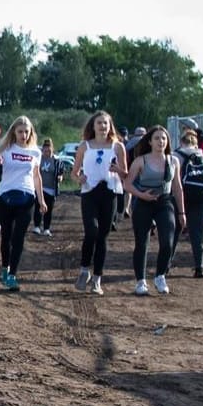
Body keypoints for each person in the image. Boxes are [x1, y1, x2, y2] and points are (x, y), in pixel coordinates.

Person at [125, 125, 187, 296]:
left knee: (167, 242)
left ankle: (160, 276)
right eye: (157, 138)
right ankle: (140, 281)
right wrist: (141, 195)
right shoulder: (140, 161)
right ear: (150, 142)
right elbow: (127, 184)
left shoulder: (173, 161)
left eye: (164, 138)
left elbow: (178, 187)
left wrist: (182, 212)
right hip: (144, 202)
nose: (161, 141)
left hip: (164, 202)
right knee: (142, 243)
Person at [72, 110, 128, 296]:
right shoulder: (84, 146)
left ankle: (97, 279)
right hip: (89, 192)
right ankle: (84, 270)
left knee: (102, 236)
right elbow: (74, 173)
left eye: (105, 123)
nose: (103, 126)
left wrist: (117, 169)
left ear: (110, 125)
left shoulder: (117, 147)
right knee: (91, 231)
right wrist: (78, 179)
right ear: (93, 126)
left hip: (109, 192)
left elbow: (125, 175)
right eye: (99, 123)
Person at [0, 116, 46, 291]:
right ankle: (5, 267)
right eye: (20, 131)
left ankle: (13, 275)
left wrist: (41, 199)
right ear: (14, 132)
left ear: (30, 133)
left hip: (27, 197)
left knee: (18, 237)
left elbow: (36, 176)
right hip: (5, 196)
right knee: (6, 236)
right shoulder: (6, 148)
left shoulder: (36, 152)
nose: (23, 135)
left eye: (26, 132)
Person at [173, 128, 203, 277]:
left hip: (181, 196)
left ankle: (167, 262)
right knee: (197, 233)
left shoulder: (176, 156)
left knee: (175, 231)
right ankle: (199, 266)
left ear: (182, 141)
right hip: (200, 197)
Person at [33, 138, 63, 236]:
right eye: (45, 151)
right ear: (42, 150)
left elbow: (61, 172)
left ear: (52, 150)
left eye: (49, 151)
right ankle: (37, 226)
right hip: (40, 188)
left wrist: (60, 177)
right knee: (38, 207)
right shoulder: (39, 159)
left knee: (48, 210)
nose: (47, 153)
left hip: (51, 189)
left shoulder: (56, 161)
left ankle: (46, 228)